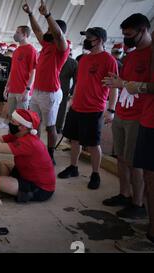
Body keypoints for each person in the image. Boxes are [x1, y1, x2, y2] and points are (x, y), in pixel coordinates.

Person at [102, 30, 154, 253]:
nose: (125, 37)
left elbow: (141, 85)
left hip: (139, 115)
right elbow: (124, 83)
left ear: (142, 31)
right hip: (130, 114)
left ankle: (137, 204)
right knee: (123, 158)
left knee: (138, 165)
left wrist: (134, 86)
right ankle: (125, 195)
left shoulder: (149, 53)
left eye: (129, 33)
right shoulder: (131, 55)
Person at [58, 28, 118, 190]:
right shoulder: (83, 59)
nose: (86, 40)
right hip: (77, 106)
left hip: (94, 109)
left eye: (89, 38)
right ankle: (73, 167)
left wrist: (111, 109)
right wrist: (72, 99)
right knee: (74, 140)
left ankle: (95, 173)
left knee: (93, 144)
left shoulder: (109, 60)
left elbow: (114, 87)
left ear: (99, 40)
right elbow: (79, 82)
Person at [23, 0, 70, 165]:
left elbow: (58, 35)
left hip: (50, 93)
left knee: (50, 127)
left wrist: (48, 15)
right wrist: (30, 14)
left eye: (51, 29)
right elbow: (36, 30)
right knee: (33, 124)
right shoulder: (46, 45)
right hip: (36, 92)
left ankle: (50, 155)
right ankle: (34, 150)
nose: (48, 31)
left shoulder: (62, 48)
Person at [0, 109, 56, 203]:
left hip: (41, 188)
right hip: (25, 173)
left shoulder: (28, 142)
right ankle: (6, 190)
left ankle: (11, 188)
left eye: (13, 121)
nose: (10, 123)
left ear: (22, 127)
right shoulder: (19, 134)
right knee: (4, 164)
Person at [5, 26, 37, 119]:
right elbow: (12, 70)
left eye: (18, 32)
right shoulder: (16, 51)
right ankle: (11, 133)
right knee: (11, 116)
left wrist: (27, 90)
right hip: (12, 89)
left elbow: (33, 72)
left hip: (22, 90)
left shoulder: (31, 50)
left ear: (25, 35)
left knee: (21, 119)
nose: (15, 34)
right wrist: (7, 85)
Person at [56, 50, 78, 133]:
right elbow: (76, 80)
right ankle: (58, 127)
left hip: (52, 87)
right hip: (64, 88)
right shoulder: (73, 62)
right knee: (61, 109)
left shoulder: (54, 59)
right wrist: (72, 91)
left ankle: (50, 126)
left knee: (51, 108)